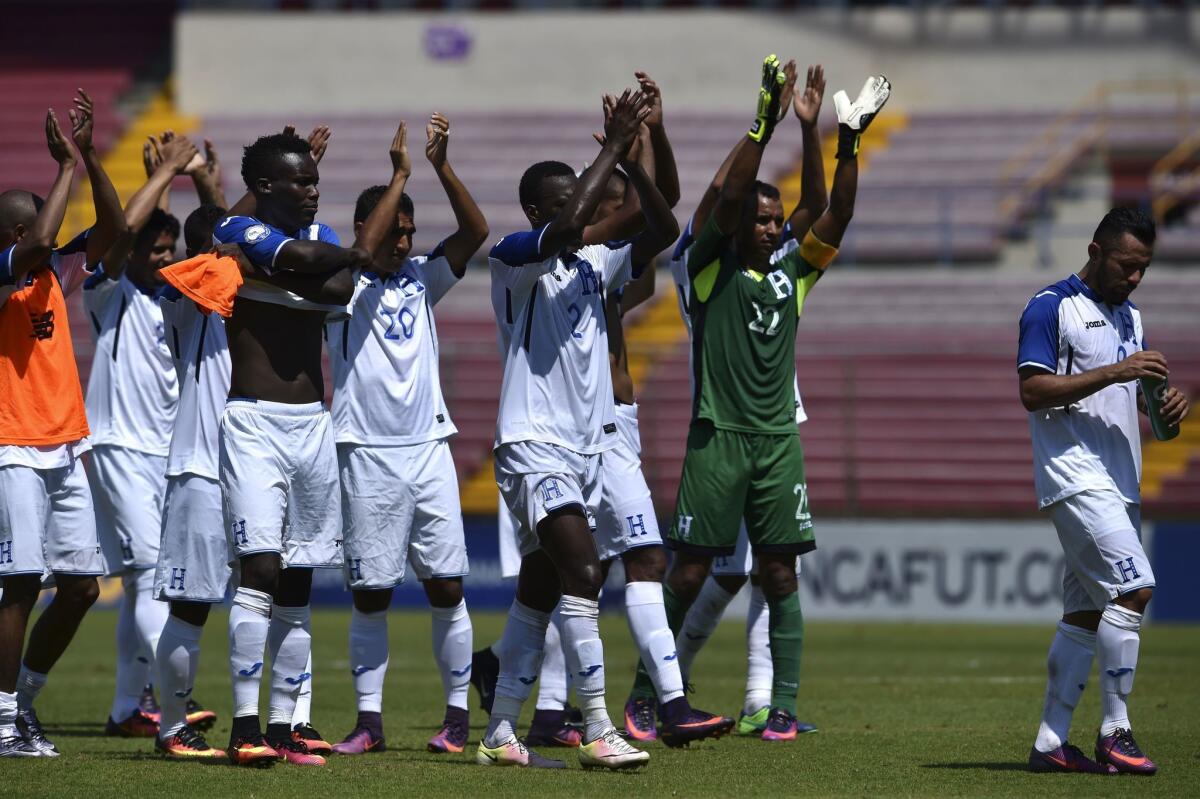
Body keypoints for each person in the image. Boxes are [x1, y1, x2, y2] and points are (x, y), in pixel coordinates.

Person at [660, 57, 889, 742]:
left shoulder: (789, 275)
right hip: (718, 435)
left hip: (775, 436)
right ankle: (656, 691)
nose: (771, 227)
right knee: (699, 571)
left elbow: (827, 214)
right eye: (758, 219)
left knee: (775, 573)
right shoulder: (702, 268)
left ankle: (773, 703)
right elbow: (725, 205)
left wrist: (835, 137)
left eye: (773, 220)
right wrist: (763, 125)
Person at [477, 88, 677, 771]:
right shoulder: (513, 259)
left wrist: (640, 152)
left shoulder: (597, 263)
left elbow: (662, 226)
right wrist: (615, 149)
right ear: (539, 209)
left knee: (539, 587)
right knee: (585, 571)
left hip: (587, 444)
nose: (588, 208)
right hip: (534, 441)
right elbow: (568, 228)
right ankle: (595, 726)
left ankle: (500, 729)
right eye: (573, 199)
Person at [326, 115, 488, 756]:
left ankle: (456, 719)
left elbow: (475, 232)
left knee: (447, 586)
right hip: (365, 453)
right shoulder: (340, 283)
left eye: (411, 231)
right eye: (397, 230)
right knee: (372, 593)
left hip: (428, 450)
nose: (406, 241)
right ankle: (370, 721)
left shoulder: (423, 278)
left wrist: (440, 167)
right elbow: (362, 251)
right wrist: (396, 176)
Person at [211, 129, 370, 766]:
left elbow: (336, 289)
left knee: (300, 578)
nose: (315, 188)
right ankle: (243, 726)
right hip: (252, 422)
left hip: (313, 423)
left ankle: (285, 725)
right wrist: (305, 265)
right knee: (260, 570)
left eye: (314, 178)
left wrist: (291, 267)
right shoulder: (236, 229)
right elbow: (319, 273)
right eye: (302, 180)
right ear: (267, 186)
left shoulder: (313, 241)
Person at [1018, 207, 1187, 776]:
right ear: (1095, 251)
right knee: (1135, 588)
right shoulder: (1051, 307)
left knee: (1086, 613)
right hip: (1075, 476)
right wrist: (1118, 373)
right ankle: (1116, 730)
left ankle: (1050, 743)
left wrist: (1164, 410)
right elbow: (1034, 389)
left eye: (1144, 268)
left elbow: (1138, 407)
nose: (1135, 278)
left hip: (1120, 482)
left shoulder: (1131, 319)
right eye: (1126, 265)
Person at [0, 93, 124, 757]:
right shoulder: (10, 274)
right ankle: (0, 724)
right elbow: (41, 241)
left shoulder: (54, 271)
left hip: (62, 446)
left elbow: (114, 230)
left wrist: (90, 157)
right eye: (28, 230)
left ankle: (21, 706)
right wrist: (63, 171)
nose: (41, 238)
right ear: (12, 238)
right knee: (20, 583)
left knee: (78, 586)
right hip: (10, 447)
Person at [82, 132, 199, 737]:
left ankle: (129, 709)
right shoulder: (110, 294)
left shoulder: (182, 300)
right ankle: (179, 707)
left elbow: (212, 236)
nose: (159, 257)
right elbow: (121, 232)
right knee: (152, 571)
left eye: (166, 249)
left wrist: (184, 179)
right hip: (119, 446)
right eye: (151, 249)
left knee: (140, 584)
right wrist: (164, 176)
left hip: (167, 452)